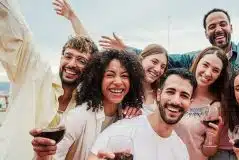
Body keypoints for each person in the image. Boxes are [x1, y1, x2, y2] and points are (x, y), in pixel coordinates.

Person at [104, 0, 239, 80]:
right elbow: (162, 59)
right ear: (206, 33)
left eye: (222, 24)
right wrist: (127, 49)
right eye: (212, 26)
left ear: (231, 27)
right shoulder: (195, 59)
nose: (218, 29)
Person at [0, 0, 98, 159]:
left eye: (81, 60)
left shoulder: (85, 105)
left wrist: (73, 18)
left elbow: (99, 59)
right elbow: (20, 33)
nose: (72, 64)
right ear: (61, 58)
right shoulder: (35, 76)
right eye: (68, 56)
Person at [52, 0, 169, 116]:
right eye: (154, 62)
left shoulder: (161, 91)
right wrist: (73, 17)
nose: (158, 69)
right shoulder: (123, 82)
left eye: (163, 66)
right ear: (141, 59)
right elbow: (92, 53)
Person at [34, 50, 145, 160]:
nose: (118, 81)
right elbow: (51, 156)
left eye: (124, 76)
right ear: (98, 79)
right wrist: (43, 155)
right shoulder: (78, 117)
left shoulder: (129, 117)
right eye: (110, 75)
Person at [88, 68, 198, 160]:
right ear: (158, 94)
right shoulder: (123, 130)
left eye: (184, 95)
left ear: (190, 103)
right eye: (170, 92)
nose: (175, 101)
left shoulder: (181, 152)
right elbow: (93, 157)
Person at [174, 46, 228, 160]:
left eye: (215, 70)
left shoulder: (216, 106)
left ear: (220, 75)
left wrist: (212, 137)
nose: (208, 73)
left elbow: (209, 152)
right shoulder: (176, 91)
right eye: (205, 65)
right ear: (197, 62)